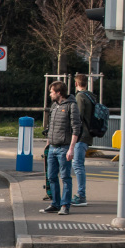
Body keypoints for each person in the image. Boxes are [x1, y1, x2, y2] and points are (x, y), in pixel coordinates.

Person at [42, 80, 83, 215]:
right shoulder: (54, 106)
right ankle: (55, 203)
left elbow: (76, 128)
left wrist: (71, 148)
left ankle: (65, 205)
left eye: (52, 92)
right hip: (53, 147)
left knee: (65, 177)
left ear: (59, 92)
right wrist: (48, 143)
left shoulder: (72, 106)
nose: (50, 94)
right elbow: (50, 127)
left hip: (64, 147)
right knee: (52, 177)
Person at [72, 74, 96, 207]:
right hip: (87, 135)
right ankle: (81, 194)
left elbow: (78, 117)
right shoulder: (91, 96)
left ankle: (81, 195)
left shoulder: (80, 97)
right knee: (78, 164)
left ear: (76, 84)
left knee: (78, 165)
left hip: (81, 135)